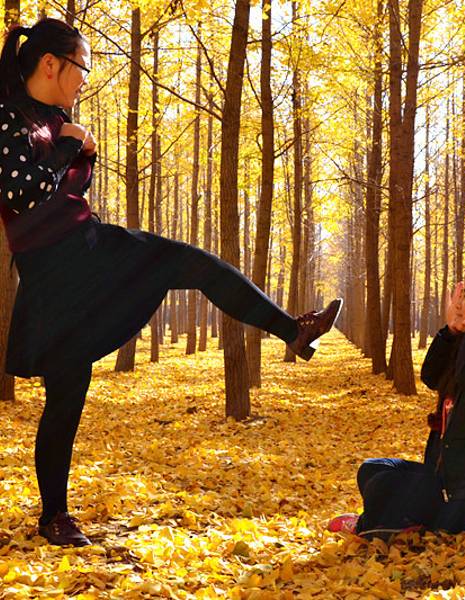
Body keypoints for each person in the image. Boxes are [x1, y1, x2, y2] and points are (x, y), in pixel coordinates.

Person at [0, 19, 342, 547]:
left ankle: (293, 330)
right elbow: (21, 195)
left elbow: (64, 192)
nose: (85, 79)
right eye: (82, 67)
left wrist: (83, 153)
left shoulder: (57, 118)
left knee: (193, 263)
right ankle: (54, 516)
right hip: (51, 272)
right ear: (51, 64)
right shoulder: (8, 116)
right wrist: (70, 149)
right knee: (65, 395)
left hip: (89, 246)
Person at [328, 260, 465, 540]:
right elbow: (433, 376)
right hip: (458, 481)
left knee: (384, 485)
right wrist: (451, 331)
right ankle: (398, 521)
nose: (462, 303)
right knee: (372, 470)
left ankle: (370, 525)